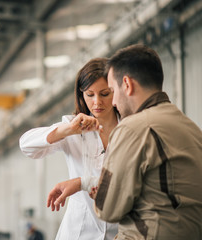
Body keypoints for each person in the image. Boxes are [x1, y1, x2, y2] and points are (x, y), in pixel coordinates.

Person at [48, 44, 202, 240]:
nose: (111, 102)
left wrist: (88, 186)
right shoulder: (190, 127)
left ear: (127, 85)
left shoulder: (132, 128)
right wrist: (84, 182)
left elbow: (108, 209)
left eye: (110, 91)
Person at [20, 58, 119, 240]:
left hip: (119, 232)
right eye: (90, 94)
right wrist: (68, 130)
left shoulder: (130, 129)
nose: (97, 102)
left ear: (116, 91)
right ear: (81, 95)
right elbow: (26, 145)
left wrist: (81, 182)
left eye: (105, 94)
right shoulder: (72, 128)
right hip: (79, 232)